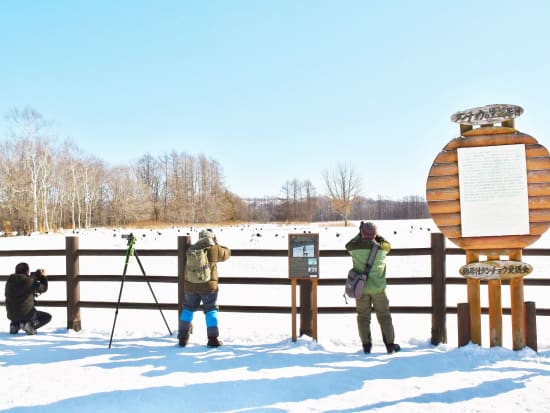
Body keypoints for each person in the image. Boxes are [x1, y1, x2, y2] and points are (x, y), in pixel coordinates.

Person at [345, 221, 400, 354]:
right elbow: (387, 244)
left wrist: (360, 234)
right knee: (384, 316)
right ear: (375, 234)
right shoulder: (382, 248)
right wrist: (377, 236)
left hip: (360, 288)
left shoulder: (355, 247)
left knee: (363, 317)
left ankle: (366, 345)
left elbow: (348, 245)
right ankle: (390, 345)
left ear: (362, 233)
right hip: (379, 289)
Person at [178, 229, 231, 348]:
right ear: (212, 238)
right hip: (209, 287)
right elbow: (227, 253)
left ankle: (182, 337)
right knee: (211, 310)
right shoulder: (214, 249)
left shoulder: (191, 249)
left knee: (188, 309)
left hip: (191, 285)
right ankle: (212, 339)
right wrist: (217, 243)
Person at [5, 262, 52, 335]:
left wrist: (33, 277)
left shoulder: (10, 280)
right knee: (47, 317)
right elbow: (43, 288)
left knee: (18, 314)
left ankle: (15, 325)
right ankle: (30, 325)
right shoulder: (29, 281)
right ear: (27, 271)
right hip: (27, 314)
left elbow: (22, 283)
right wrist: (43, 277)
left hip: (11, 314)